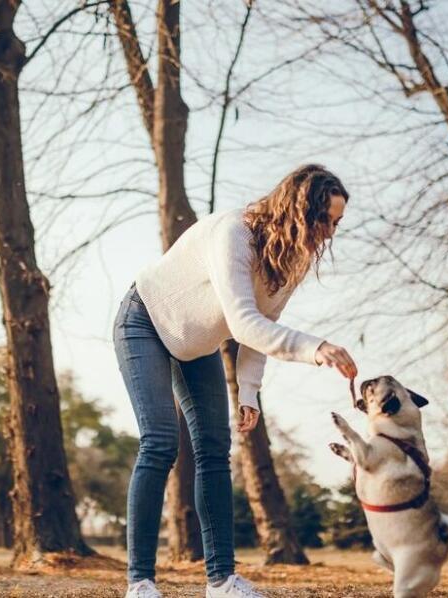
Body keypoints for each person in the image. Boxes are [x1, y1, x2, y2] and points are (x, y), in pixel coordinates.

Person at [113, 164, 358, 598]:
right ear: (299, 210)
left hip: (196, 345)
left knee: (214, 448)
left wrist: (249, 391)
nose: (329, 232)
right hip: (145, 320)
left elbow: (265, 324)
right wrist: (315, 347)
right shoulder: (234, 233)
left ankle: (221, 581)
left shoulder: (291, 259)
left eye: (336, 223)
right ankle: (141, 583)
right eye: (324, 220)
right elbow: (244, 323)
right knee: (161, 441)